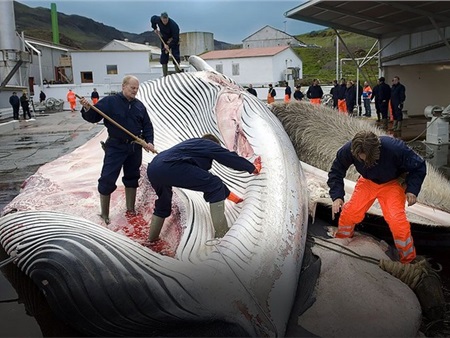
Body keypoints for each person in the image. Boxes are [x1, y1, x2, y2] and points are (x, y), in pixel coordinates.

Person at [327, 131, 426, 264]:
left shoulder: (396, 148)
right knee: (351, 211)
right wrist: (337, 196)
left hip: (392, 183)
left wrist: (412, 190)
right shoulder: (348, 150)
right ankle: (342, 239)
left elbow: (419, 166)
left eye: (369, 159)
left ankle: (408, 259)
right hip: (367, 182)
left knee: (397, 220)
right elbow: (336, 171)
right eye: (362, 159)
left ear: (377, 150)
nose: (365, 162)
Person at [146, 134, 262, 241]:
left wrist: (233, 197)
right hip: (170, 166)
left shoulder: (192, 145)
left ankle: (152, 239)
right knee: (214, 185)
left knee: (163, 202)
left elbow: (204, 177)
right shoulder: (207, 144)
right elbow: (228, 157)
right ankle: (222, 234)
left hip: (154, 169)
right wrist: (251, 168)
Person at [79, 75, 156, 224]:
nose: (135, 91)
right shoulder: (110, 102)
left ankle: (130, 209)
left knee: (132, 177)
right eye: (132, 88)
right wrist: (87, 108)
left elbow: (147, 126)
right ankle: (105, 214)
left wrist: (150, 142)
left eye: (137, 88)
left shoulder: (139, 106)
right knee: (107, 178)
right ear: (123, 86)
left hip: (135, 146)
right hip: (115, 146)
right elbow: (94, 117)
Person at [151, 12, 181, 76]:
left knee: (175, 55)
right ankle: (165, 74)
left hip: (173, 39)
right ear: (161, 19)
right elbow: (152, 19)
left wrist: (169, 45)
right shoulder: (157, 19)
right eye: (163, 20)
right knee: (164, 55)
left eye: (166, 20)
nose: (165, 22)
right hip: (164, 39)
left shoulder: (174, 25)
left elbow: (176, 39)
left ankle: (178, 73)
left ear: (168, 18)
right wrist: (155, 28)